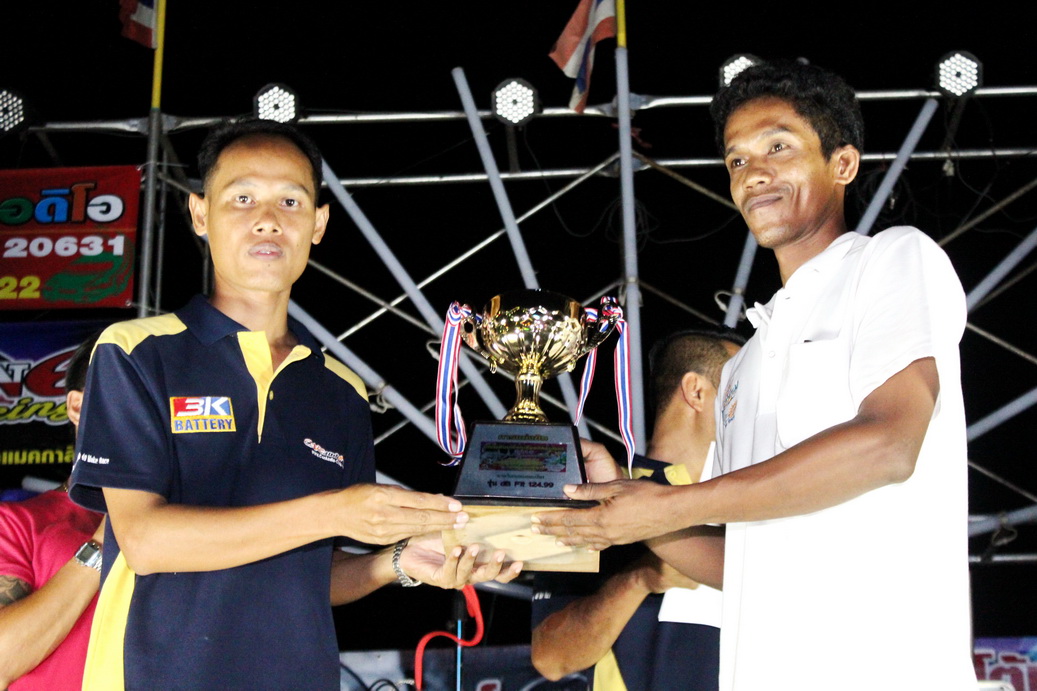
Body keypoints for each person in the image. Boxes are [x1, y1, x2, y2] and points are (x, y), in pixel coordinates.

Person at [531, 61, 977, 690]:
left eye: (778, 147)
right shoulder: (742, 365)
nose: (753, 173)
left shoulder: (892, 258)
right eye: (736, 160)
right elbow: (742, 564)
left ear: (843, 164)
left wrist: (672, 503)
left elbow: (889, 445)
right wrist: (624, 502)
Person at [69, 119, 521, 690]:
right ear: (200, 214)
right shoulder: (136, 352)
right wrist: (333, 511)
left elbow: (311, 572)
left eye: (290, 200)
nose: (268, 219)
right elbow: (145, 542)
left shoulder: (341, 391)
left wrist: (396, 562)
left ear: (318, 223)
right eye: (242, 198)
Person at [531, 330, 740, 690]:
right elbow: (551, 658)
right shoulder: (594, 500)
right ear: (696, 392)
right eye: (743, 387)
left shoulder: (765, 502)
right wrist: (639, 579)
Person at [0, 333, 103, 690]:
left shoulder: (193, 524)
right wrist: (109, 537)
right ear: (77, 407)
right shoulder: (16, 523)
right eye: (129, 394)